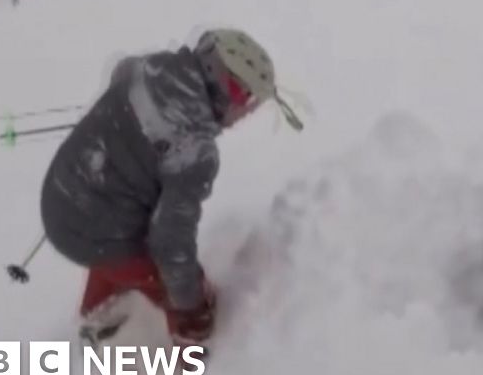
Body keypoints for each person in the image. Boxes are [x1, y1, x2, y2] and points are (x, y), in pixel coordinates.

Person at [39, 28, 303, 348]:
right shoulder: (195, 152)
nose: (242, 115)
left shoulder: (151, 66)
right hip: (96, 228)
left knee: (112, 248)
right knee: (178, 286)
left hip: (59, 199)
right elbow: (171, 242)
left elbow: (121, 71)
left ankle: (97, 318)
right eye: (243, 99)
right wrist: (192, 304)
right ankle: (191, 367)